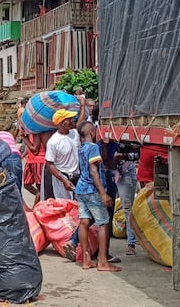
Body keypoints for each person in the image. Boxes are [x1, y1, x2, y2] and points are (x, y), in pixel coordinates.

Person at [74, 121, 120, 272]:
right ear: (92, 133)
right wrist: (103, 193)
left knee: (84, 222)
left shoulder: (81, 148)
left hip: (81, 189)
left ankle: (86, 259)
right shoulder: (94, 148)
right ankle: (102, 260)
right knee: (103, 223)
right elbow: (94, 171)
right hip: (92, 190)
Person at [101, 136, 139, 256]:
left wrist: (123, 157)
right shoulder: (103, 137)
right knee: (106, 208)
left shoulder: (127, 136)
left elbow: (138, 154)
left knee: (127, 208)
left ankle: (131, 243)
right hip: (108, 172)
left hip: (125, 171)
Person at [44, 109, 81, 200]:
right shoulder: (53, 142)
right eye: (69, 119)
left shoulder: (75, 133)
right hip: (62, 179)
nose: (72, 120)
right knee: (65, 206)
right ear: (62, 123)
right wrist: (64, 180)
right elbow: (50, 164)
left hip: (77, 176)